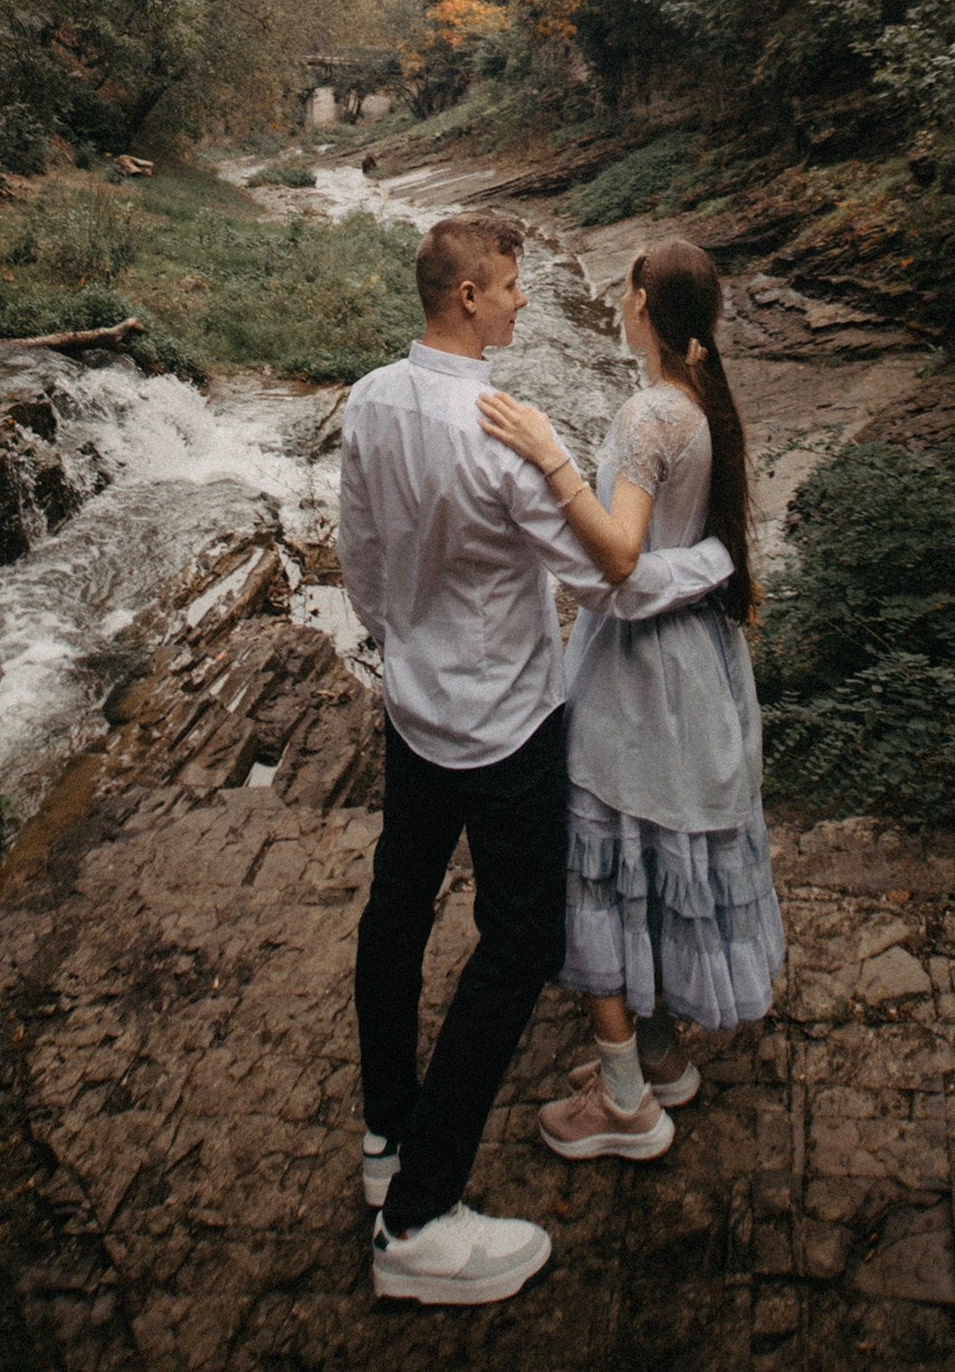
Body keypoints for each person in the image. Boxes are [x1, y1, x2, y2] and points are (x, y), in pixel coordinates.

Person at [337, 212, 735, 1309]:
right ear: (466, 295)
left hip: (413, 713)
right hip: (507, 725)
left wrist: (405, 643)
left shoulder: (369, 399)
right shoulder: (507, 428)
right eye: (509, 285)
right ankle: (417, 1217)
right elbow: (605, 574)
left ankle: (383, 1131)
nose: (520, 299)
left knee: (397, 910)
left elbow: (358, 562)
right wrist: (708, 563)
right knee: (517, 944)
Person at [476, 235, 785, 1161]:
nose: (618, 300)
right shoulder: (698, 400)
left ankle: (623, 1103)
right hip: (697, 667)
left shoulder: (650, 413)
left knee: (601, 867)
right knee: (656, 854)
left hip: (640, 674)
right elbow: (681, 550)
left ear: (644, 304)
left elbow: (614, 562)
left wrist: (546, 452)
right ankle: (658, 1059)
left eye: (627, 289)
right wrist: (709, 566)